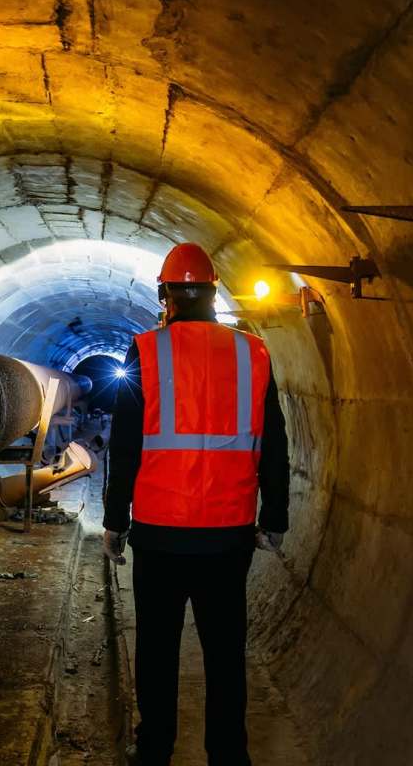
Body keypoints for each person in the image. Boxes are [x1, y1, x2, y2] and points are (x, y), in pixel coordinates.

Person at [102, 242, 290, 766]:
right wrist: (275, 517)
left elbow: (125, 445)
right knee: (226, 654)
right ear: (212, 291)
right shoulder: (253, 353)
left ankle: (155, 751)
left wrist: (115, 521)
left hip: (161, 533)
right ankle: (229, 755)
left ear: (166, 296)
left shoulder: (146, 350)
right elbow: (274, 441)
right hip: (229, 535)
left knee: (157, 652)